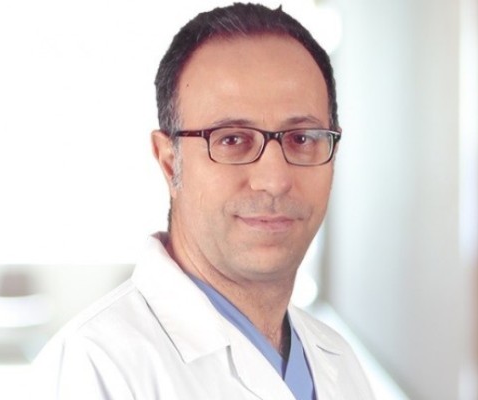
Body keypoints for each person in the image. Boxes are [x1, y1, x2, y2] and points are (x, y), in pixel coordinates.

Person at [33, 3, 375, 399]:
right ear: (169, 161)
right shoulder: (93, 367)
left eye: (302, 138)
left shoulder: (339, 362)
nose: (274, 181)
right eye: (231, 139)